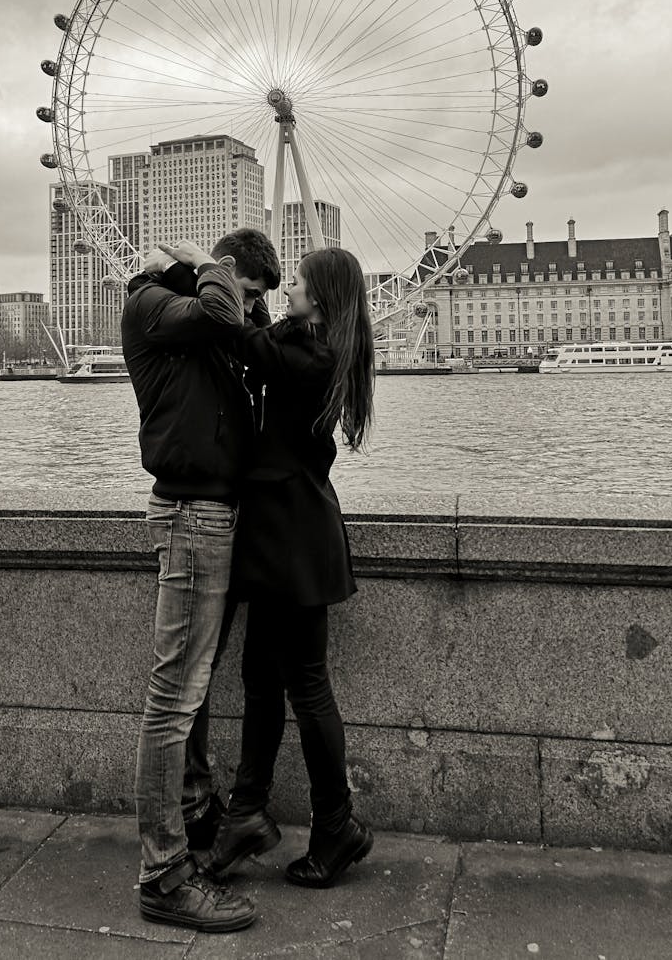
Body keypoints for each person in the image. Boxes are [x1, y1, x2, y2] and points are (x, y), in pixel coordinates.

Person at [198, 245, 377, 889]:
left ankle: (335, 824)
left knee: (304, 685)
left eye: (298, 284)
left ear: (323, 299)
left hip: (293, 537)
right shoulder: (313, 347)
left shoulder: (313, 356)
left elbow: (244, 337)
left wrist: (212, 271)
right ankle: (250, 813)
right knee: (261, 679)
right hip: (285, 533)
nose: (289, 291)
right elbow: (265, 336)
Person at [122, 227, 280, 933]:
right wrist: (210, 266)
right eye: (249, 293)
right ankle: (162, 873)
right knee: (172, 698)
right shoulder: (154, 306)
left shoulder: (205, 317)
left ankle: (193, 811)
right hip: (190, 516)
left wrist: (243, 293)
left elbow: (249, 338)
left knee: (191, 690)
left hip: (216, 514)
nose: (248, 311)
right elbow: (222, 313)